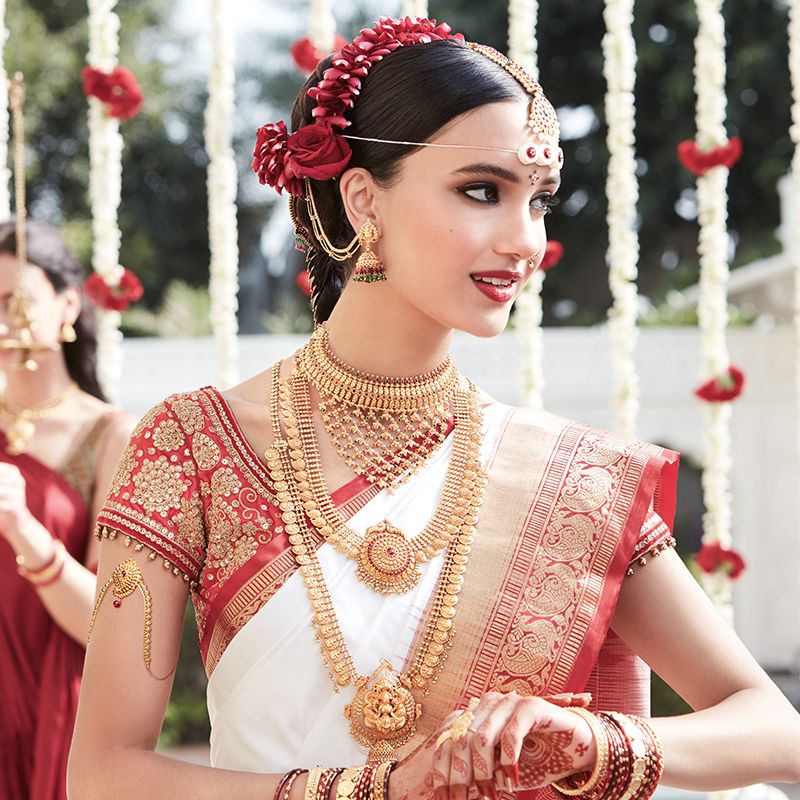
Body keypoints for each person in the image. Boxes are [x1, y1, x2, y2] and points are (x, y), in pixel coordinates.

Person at [68, 16, 800, 800]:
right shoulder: (195, 446)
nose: (524, 240)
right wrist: (371, 790)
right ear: (361, 199)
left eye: (540, 200)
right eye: (481, 190)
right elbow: (106, 774)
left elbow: (773, 731)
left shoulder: (576, 482)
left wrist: (595, 741)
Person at [0, 219, 133, 800]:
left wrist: (24, 529)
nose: (3, 322)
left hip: (55, 701)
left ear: (68, 305)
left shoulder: (110, 436)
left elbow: (110, 624)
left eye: (14, 301)